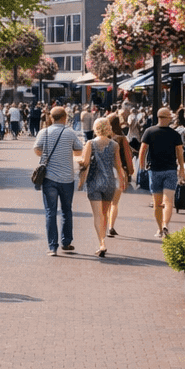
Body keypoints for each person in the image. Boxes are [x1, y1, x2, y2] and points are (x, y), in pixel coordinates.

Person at [32, 105, 85, 255]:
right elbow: (79, 150)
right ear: (65, 118)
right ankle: (66, 242)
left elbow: (36, 149)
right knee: (67, 211)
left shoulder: (44, 132)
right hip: (67, 178)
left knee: (50, 212)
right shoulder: (70, 133)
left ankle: (52, 247)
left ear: (51, 117)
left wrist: (46, 154)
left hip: (49, 177)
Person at [137, 107, 185, 237]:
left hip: (154, 170)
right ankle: (165, 225)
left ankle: (159, 229)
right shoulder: (175, 134)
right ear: (168, 118)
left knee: (157, 203)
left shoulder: (149, 131)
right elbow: (180, 153)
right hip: (170, 170)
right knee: (168, 201)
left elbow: (142, 151)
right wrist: (181, 168)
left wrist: (142, 167)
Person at [78, 118, 121, 257]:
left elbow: (85, 162)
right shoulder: (114, 145)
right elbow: (118, 165)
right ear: (108, 128)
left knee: (97, 215)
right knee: (104, 213)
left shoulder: (90, 143)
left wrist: (78, 161)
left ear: (95, 128)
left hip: (94, 181)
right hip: (109, 182)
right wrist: (122, 179)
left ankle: (102, 243)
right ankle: (103, 239)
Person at [103, 114, 135, 238]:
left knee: (106, 203)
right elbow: (127, 157)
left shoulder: (102, 138)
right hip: (118, 173)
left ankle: (104, 227)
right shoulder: (122, 139)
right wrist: (130, 171)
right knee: (114, 203)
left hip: (104, 173)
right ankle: (111, 227)